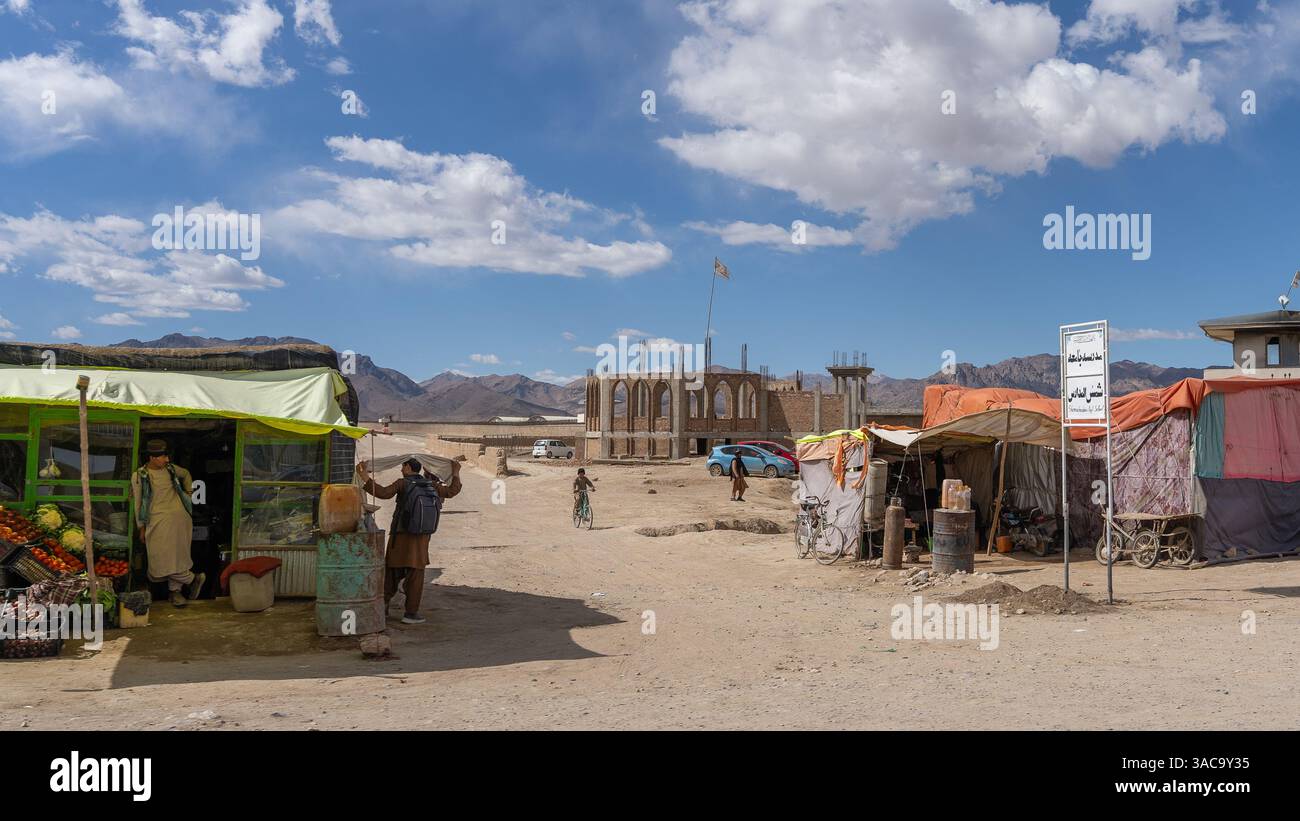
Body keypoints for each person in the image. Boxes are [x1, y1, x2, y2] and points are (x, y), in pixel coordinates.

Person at [357, 456, 461, 624]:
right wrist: (455, 472)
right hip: (421, 541)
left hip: (401, 538)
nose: (401, 469)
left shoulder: (403, 483)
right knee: (416, 577)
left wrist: (364, 477)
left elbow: (383, 493)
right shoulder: (431, 485)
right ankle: (411, 614)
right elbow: (452, 491)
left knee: (391, 573)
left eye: (403, 466)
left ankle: (382, 608)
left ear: (407, 467)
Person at [130, 439, 205, 607]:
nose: (167, 460)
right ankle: (193, 579)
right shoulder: (139, 475)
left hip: (179, 519)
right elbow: (138, 504)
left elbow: (185, 474)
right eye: (163, 456)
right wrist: (141, 527)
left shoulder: (171, 470)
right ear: (152, 457)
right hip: (157, 521)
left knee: (177, 557)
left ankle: (175, 593)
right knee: (158, 565)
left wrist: (188, 494)